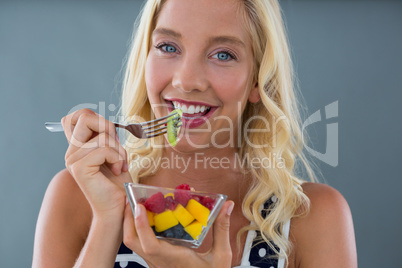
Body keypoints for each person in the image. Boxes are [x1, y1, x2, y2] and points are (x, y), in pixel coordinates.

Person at [32, 0, 357, 267]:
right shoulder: (78, 198)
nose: (187, 81)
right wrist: (107, 222)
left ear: (258, 80)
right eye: (168, 46)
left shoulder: (313, 218)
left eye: (223, 54)